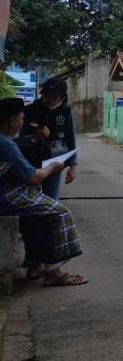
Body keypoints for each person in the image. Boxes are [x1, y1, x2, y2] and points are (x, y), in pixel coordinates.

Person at [0, 97, 87, 286]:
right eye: (21, 119)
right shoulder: (6, 145)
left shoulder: (6, 141)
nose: (22, 123)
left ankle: (37, 264)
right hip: (6, 196)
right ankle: (54, 270)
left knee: (36, 216)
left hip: (8, 189)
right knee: (60, 213)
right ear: (12, 121)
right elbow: (32, 177)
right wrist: (52, 168)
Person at [18, 77, 78, 200]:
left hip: (54, 163)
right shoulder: (28, 111)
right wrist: (34, 138)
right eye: (46, 96)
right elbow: (17, 140)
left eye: (54, 97)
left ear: (62, 97)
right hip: (30, 162)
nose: (49, 100)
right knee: (28, 200)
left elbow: (70, 139)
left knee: (51, 199)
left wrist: (72, 166)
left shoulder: (65, 112)